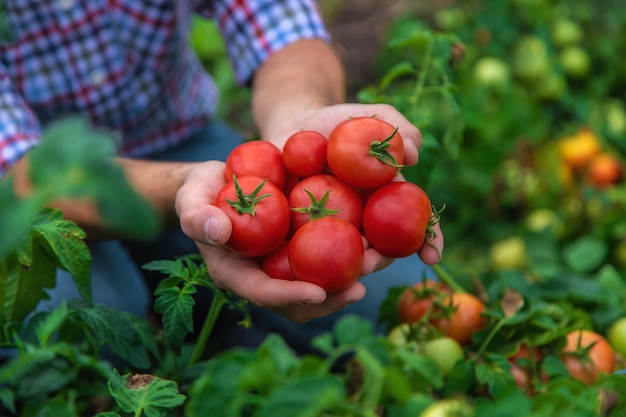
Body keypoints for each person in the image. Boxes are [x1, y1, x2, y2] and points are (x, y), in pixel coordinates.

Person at [1, 0, 444, 354]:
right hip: (31, 198)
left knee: (398, 299)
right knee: (83, 329)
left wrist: (299, 123)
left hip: (188, 143)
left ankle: (228, 333)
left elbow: (281, 22)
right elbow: (25, 177)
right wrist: (183, 185)